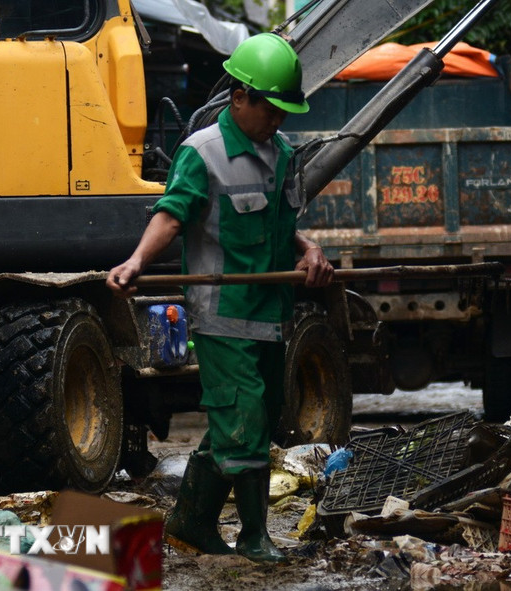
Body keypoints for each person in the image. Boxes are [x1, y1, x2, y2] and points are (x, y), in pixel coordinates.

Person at [106, 32, 334, 562]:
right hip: (223, 318)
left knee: (253, 420)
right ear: (239, 98)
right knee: (245, 421)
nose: (278, 120)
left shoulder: (280, 153)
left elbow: (282, 224)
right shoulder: (202, 153)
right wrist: (137, 262)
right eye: (270, 108)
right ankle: (255, 536)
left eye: (284, 111)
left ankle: (190, 522)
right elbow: (172, 214)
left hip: (272, 315)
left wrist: (309, 248)